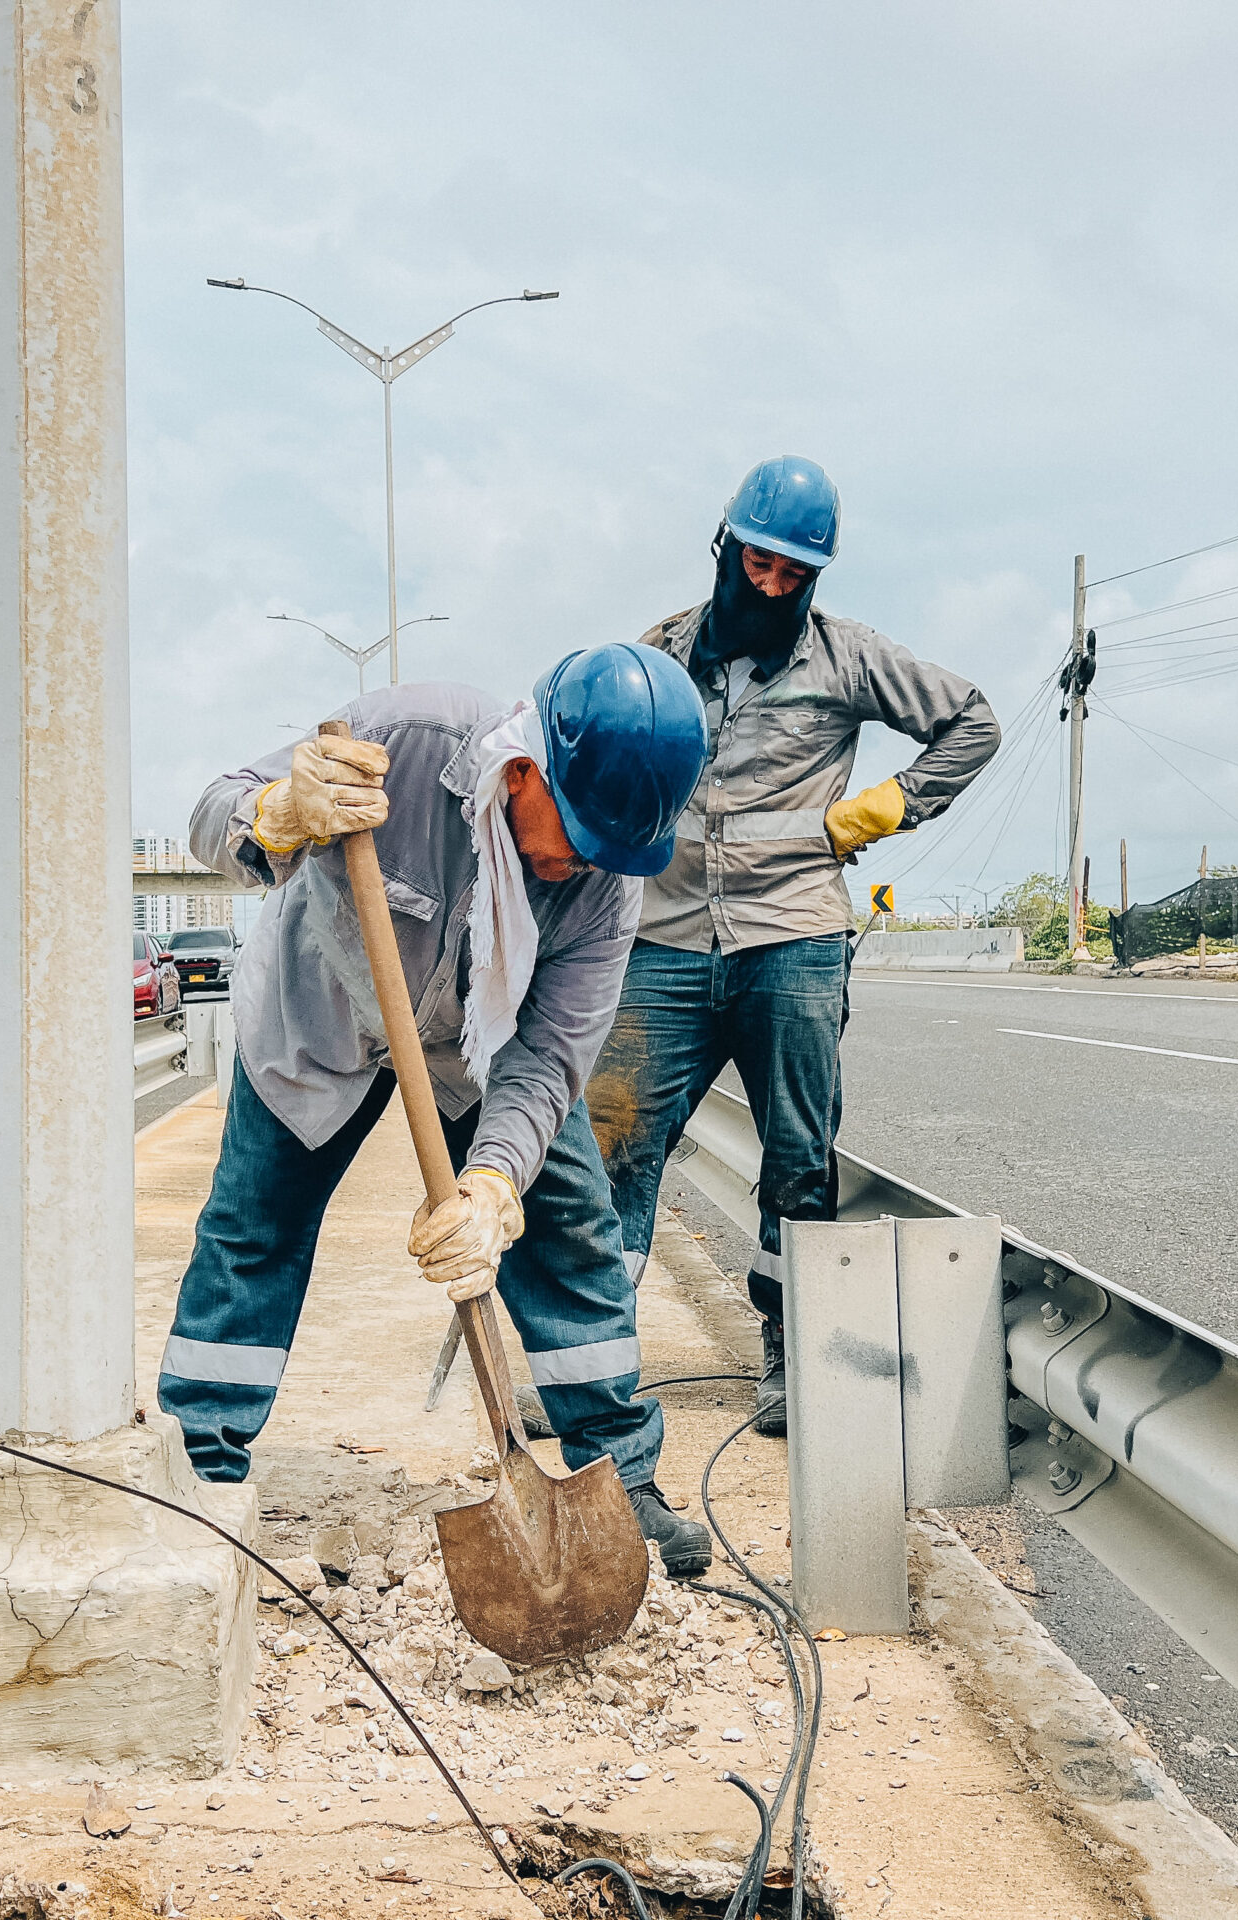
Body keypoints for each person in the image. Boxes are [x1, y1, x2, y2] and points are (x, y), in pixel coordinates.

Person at [158, 644, 720, 1576]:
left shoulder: (607, 889)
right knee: (250, 1230)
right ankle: (199, 1474)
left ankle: (617, 1474)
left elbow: (548, 1056)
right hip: (321, 1018)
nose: (581, 861)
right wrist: (279, 814)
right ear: (528, 765)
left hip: (479, 1052)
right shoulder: (405, 740)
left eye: (609, 850)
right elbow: (210, 815)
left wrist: (496, 1182)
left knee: (569, 1227)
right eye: (574, 831)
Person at [590, 456, 1000, 1436]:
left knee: (797, 1160)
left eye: (793, 574)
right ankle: (592, 1370)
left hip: (795, 938)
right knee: (612, 1152)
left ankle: (793, 1361)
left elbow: (969, 722)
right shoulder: (656, 656)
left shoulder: (847, 659)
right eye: (758, 564)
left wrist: (879, 811)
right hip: (665, 942)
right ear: (724, 548)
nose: (771, 586)